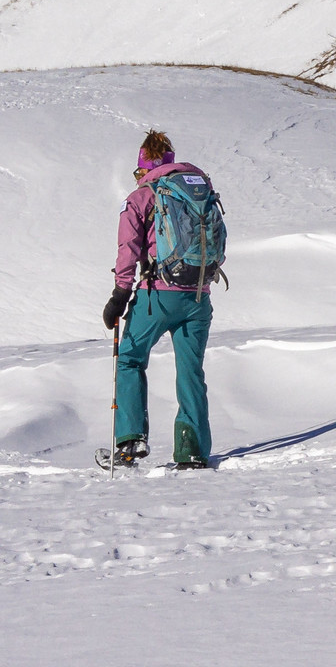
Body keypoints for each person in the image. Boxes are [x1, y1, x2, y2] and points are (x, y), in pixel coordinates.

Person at [100, 130, 216, 468]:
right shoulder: (199, 190)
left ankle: (130, 442)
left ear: (143, 169)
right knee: (190, 371)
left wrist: (120, 295)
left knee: (129, 360)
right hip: (198, 296)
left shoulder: (141, 198)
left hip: (158, 296)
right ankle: (192, 451)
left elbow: (128, 251)